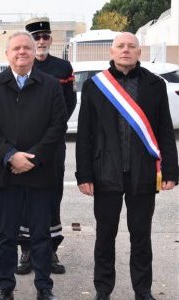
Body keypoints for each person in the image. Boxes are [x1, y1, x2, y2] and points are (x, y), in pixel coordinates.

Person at [76, 32, 178, 300]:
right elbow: (85, 133)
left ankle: (142, 290)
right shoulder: (95, 85)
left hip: (143, 174)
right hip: (104, 173)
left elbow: (165, 130)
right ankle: (103, 290)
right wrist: (83, 174)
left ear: (139, 52)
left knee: (141, 236)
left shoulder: (154, 85)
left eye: (131, 46)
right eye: (120, 46)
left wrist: (171, 171)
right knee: (105, 236)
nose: (125, 50)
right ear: (112, 52)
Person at [0, 32, 67, 300]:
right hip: (6, 175)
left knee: (41, 235)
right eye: (16, 48)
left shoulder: (51, 85)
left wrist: (33, 159)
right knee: (7, 236)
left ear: (34, 52)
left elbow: (58, 126)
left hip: (40, 174)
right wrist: (10, 155)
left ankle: (43, 286)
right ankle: (6, 288)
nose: (22, 52)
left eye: (27, 48)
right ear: (7, 54)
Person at [14, 17, 77, 275]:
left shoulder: (62, 67)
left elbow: (68, 103)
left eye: (45, 37)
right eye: (36, 37)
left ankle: (50, 250)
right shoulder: (22, 67)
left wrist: (51, 132)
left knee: (52, 196)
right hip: (24, 145)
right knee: (24, 198)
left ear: (50, 39)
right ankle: (27, 250)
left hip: (52, 145)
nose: (41, 41)